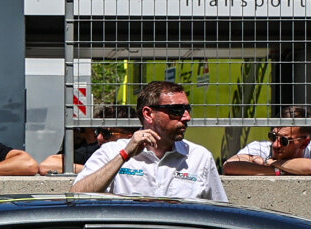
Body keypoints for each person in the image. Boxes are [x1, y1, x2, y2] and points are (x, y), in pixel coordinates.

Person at [71, 80, 227, 200]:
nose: (187, 117)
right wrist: (124, 155)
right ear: (148, 114)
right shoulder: (112, 151)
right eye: (177, 110)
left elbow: (220, 212)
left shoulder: (200, 157)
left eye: (187, 109)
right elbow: (77, 196)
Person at [223, 110, 311, 176]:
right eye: (273, 136)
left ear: (304, 143)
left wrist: (270, 162)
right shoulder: (260, 146)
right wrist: (278, 171)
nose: (275, 145)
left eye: (284, 140)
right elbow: (230, 166)